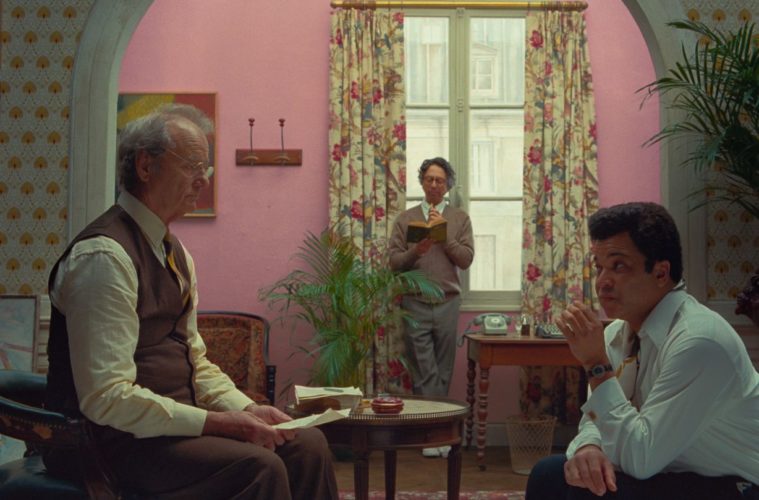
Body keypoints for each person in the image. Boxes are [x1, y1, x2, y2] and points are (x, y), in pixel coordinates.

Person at [44, 104, 338, 500]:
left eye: (206, 168)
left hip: (168, 433)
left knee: (307, 446)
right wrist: (217, 423)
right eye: (192, 166)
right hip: (109, 443)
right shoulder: (103, 257)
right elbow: (107, 399)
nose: (203, 179)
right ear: (145, 166)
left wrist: (246, 410)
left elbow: (194, 360)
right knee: (259, 467)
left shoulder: (175, 253)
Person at [526, 202, 759, 500]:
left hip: (738, 484)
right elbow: (597, 419)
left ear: (661, 273)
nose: (602, 282)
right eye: (599, 267)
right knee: (548, 474)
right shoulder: (615, 334)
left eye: (619, 266)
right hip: (673, 470)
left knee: (593, 492)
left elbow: (641, 458)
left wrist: (597, 365)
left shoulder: (700, 342)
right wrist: (589, 447)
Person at [388, 157, 474, 458]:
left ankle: (438, 433)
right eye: (429, 179)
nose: (434, 184)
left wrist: (444, 235)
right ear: (422, 182)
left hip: (448, 302)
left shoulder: (460, 218)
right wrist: (417, 251)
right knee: (424, 371)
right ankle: (432, 435)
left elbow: (466, 259)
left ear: (448, 185)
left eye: (440, 180)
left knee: (443, 369)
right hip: (415, 302)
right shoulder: (406, 219)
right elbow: (394, 263)